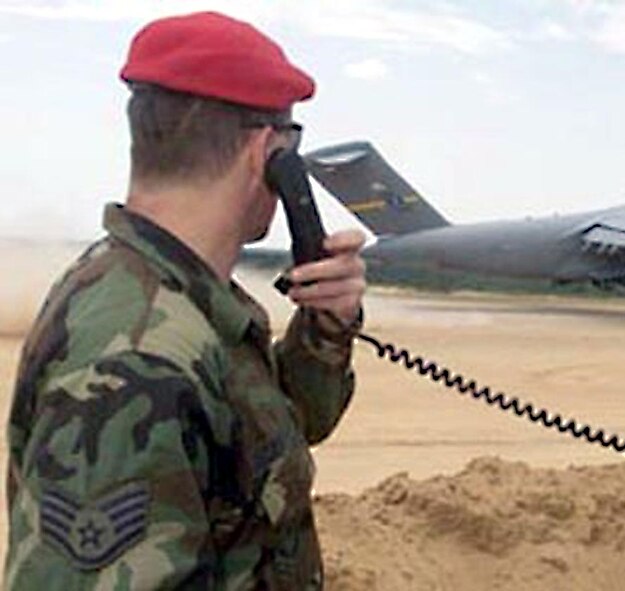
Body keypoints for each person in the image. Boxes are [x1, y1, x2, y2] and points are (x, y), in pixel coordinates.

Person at [4, 11, 366, 589]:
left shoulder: (190, 302)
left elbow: (286, 429)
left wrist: (327, 326)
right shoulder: (138, 354)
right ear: (265, 155)